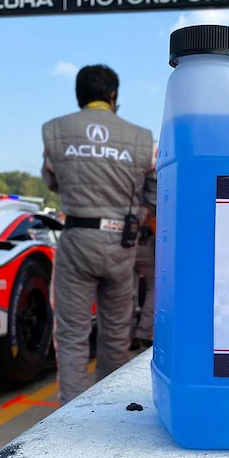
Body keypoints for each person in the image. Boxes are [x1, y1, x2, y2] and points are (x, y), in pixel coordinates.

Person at [41, 65, 156, 404]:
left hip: (77, 238)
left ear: (79, 96)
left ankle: (71, 416)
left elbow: (52, 181)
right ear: (113, 96)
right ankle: (109, 410)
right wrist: (135, 214)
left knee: (73, 336)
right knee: (116, 336)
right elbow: (153, 192)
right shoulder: (141, 138)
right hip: (122, 243)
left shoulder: (55, 130)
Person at [131, 215, 155, 350]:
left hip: (121, 242)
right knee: (154, 287)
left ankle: (127, 335)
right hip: (145, 242)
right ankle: (144, 332)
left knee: (125, 291)